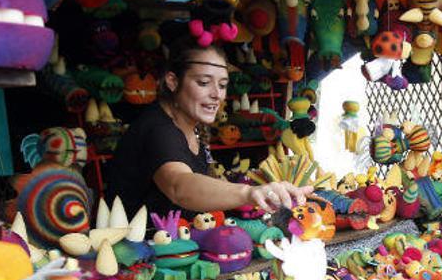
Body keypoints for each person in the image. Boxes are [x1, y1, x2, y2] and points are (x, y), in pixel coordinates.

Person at [106, 39, 311, 218]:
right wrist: (248, 193)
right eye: (204, 82)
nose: (217, 94)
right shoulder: (158, 128)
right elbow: (180, 186)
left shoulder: (192, 125)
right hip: (135, 254)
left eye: (222, 85)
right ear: (173, 81)